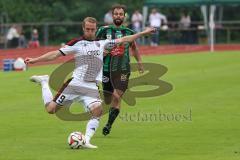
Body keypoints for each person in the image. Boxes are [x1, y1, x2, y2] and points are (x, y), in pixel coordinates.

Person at [24, 17, 155, 148]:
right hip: (74, 85)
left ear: (96, 29)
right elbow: (55, 54)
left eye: (92, 29)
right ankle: (44, 82)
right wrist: (35, 60)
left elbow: (125, 39)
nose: (90, 32)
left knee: (98, 110)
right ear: (83, 28)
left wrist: (143, 33)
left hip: (91, 86)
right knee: (51, 109)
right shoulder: (77, 43)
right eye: (87, 29)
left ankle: (86, 140)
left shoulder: (103, 43)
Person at [96, 4, 144, 136]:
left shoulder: (129, 32)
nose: (118, 16)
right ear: (112, 16)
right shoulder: (103, 31)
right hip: (106, 69)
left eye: (120, 14)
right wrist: (101, 52)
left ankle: (108, 125)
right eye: (116, 14)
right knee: (107, 99)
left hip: (123, 69)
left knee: (117, 96)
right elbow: (93, 47)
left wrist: (139, 62)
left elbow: (134, 48)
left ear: (124, 16)